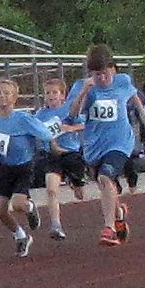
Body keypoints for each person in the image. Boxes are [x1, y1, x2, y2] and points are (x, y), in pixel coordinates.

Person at [69, 44, 145, 246]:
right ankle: (118, 212)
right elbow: (72, 115)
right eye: (97, 75)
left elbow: (134, 97)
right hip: (95, 145)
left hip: (120, 142)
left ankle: (109, 228)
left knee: (106, 177)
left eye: (105, 73)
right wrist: (84, 94)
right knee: (105, 184)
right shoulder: (83, 86)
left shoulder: (123, 81)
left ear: (112, 69)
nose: (102, 79)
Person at [0, 79, 51, 257]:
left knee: (18, 204)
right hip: (3, 168)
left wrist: (35, 140)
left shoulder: (23, 118)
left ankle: (30, 207)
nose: (2, 96)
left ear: (15, 97)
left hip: (23, 166)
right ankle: (20, 236)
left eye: (6, 93)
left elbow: (46, 134)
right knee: (1, 211)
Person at [34, 78, 87, 240]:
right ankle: (56, 225)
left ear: (62, 95)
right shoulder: (40, 114)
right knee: (51, 189)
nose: (51, 96)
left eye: (54, 93)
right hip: (52, 155)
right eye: (47, 93)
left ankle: (75, 181)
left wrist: (70, 128)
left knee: (80, 194)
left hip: (71, 153)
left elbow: (84, 124)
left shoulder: (69, 110)